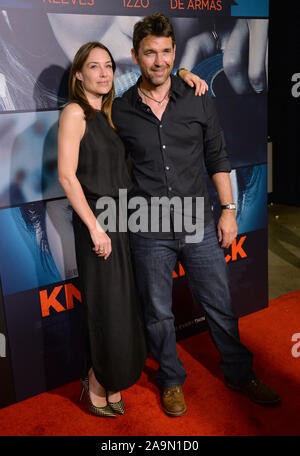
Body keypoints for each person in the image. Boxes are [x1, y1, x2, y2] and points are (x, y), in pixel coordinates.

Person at [112, 13, 280, 417]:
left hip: (198, 220)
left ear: (174, 53)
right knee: (157, 312)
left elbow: (217, 156)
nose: (158, 61)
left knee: (220, 303)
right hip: (148, 226)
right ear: (135, 55)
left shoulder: (198, 96)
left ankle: (240, 374)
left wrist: (228, 210)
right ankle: (170, 380)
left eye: (166, 52)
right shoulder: (119, 110)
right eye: (149, 53)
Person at [57, 41, 207, 417]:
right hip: (98, 225)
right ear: (79, 74)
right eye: (94, 67)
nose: (104, 73)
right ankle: (95, 380)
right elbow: (66, 176)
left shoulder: (112, 112)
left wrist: (185, 74)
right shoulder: (75, 113)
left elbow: (157, 82)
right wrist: (94, 228)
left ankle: (110, 377)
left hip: (123, 221)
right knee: (104, 308)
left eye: (108, 65)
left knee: (123, 308)